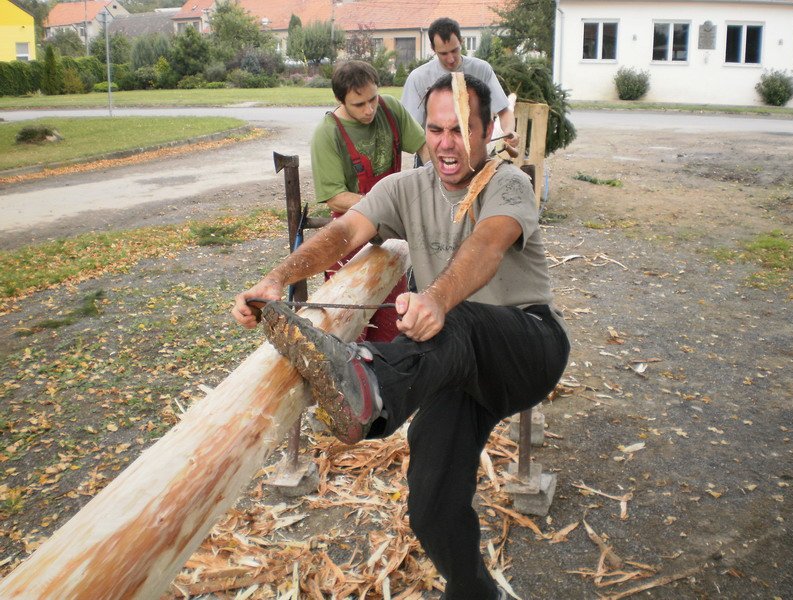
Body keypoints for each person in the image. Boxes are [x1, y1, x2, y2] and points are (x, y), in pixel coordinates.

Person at [233, 74, 569, 600]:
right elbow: (344, 232)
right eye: (435, 129)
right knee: (430, 503)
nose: (445, 143)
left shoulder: (508, 183)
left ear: (485, 134)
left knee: (458, 318)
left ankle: (369, 381)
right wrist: (278, 277)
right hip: (458, 362)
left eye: (460, 129)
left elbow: (488, 242)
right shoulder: (405, 188)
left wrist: (435, 297)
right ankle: (475, 592)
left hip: (527, 344)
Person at [311, 60, 429, 341]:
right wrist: (382, 205)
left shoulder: (390, 110)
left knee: (392, 326)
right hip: (349, 238)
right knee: (346, 329)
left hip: (388, 239)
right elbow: (335, 198)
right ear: (341, 100)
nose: (369, 110)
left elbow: (425, 146)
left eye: (372, 99)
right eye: (359, 104)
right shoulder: (328, 134)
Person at [401, 17, 519, 153]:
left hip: (475, 152)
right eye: (443, 53)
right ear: (433, 49)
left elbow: (504, 111)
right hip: (435, 153)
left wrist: (509, 131)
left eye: (454, 50)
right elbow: (410, 128)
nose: (450, 59)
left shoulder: (481, 69)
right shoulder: (418, 78)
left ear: (461, 41)